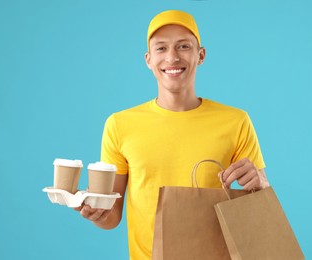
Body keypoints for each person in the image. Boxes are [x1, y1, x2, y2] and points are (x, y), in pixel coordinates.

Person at [75, 10, 270, 259]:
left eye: (183, 46)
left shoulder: (236, 121)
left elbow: (258, 210)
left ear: (200, 55)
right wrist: (96, 213)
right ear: (148, 59)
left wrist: (262, 185)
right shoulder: (119, 125)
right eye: (161, 48)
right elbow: (112, 217)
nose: (172, 57)